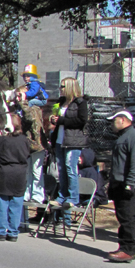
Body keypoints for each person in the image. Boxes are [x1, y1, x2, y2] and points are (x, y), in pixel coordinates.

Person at [48, 77, 88, 225]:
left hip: (73, 140)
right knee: (61, 169)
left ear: (70, 87)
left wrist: (62, 120)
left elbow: (81, 121)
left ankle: (73, 197)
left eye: (63, 86)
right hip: (60, 139)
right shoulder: (61, 101)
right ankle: (62, 195)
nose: (61, 88)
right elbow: (58, 119)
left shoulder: (80, 103)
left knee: (71, 168)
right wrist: (54, 119)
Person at [0, 122, 32, 241]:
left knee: (2, 204)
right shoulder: (24, 140)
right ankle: (13, 232)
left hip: (3, 173)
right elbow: (28, 154)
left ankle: (0, 231)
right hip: (19, 174)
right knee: (16, 205)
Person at [106, 110, 135, 263]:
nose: (112, 124)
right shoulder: (122, 137)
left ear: (123, 120)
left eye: (114, 120)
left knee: (127, 218)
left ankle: (128, 250)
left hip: (127, 185)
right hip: (118, 183)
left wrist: (130, 184)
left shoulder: (133, 136)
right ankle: (123, 246)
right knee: (122, 217)